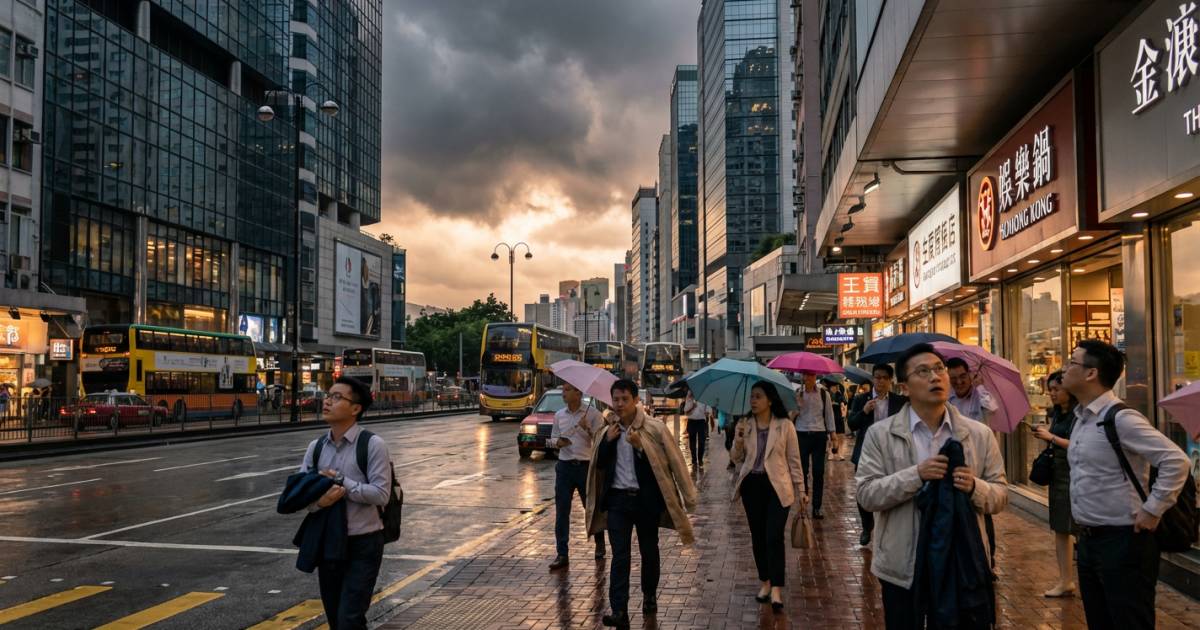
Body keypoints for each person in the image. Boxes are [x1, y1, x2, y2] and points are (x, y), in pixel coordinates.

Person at [856, 344, 1007, 630]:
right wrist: (916, 475)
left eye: (939, 369)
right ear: (904, 386)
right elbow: (866, 494)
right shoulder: (880, 435)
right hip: (903, 566)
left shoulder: (979, 434)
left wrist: (975, 487)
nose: (935, 377)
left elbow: (1000, 494)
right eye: (923, 371)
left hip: (962, 562)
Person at [1061, 339, 1190, 630]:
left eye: (1072, 362)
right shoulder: (1081, 418)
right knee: (1100, 621)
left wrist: (1153, 509)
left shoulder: (1121, 419)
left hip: (1124, 542)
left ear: (1091, 373)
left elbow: (1176, 461)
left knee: (1129, 621)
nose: (1065, 368)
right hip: (1089, 541)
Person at [586, 379, 698, 629]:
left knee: (649, 551)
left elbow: (667, 464)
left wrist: (640, 449)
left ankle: (649, 595)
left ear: (636, 400)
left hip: (646, 501)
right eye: (616, 399)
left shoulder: (654, 428)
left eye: (625, 399)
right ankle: (620, 610)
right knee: (620, 556)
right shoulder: (607, 431)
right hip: (617, 502)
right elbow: (599, 465)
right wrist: (608, 443)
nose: (620, 404)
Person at [296, 376, 392, 630]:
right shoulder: (315, 447)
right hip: (329, 542)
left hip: (364, 543)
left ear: (355, 408)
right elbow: (302, 495)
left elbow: (381, 494)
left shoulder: (372, 445)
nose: (327, 401)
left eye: (337, 397)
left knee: (349, 618)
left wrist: (342, 482)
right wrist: (320, 502)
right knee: (336, 619)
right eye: (328, 395)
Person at [730, 382, 806, 613]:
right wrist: (739, 438)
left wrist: (802, 491)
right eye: (752, 397)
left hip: (777, 487)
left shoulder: (785, 426)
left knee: (773, 536)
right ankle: (765, 581)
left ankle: (776, 588)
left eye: (758, 397)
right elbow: (736, 458)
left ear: (770, 400)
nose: (753, 401)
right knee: (758, 537)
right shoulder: (745, 425)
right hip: (752, 486)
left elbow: (794, 460)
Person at [847, 365, 907, 546]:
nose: (879, 381)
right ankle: (867, 525)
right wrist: (864, 411)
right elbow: (851, 425)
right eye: (876, 377)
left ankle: (889, 527)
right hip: (866, 451)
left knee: (891, 488)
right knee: (863, 490)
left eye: (883, 378)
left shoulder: (899, 401)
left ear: (890, 381)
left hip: (891, 452)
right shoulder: (861, 399)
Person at [548, 382, 606, 570]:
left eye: (567, 390)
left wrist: (587, 428)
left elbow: (602, 441)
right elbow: (551, 440)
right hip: (564, 467)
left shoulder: (593, 414)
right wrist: (558, 443)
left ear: (578, 392)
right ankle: (562, 553)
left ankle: (599, 544)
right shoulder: (559, 415)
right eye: (563, 390)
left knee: (591, 507)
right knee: (562, 511)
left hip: (585, 467)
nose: (563, 393)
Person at [1032, 370, 1078, 597]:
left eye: (1056, 389)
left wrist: (1051, 438)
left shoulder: (1080, 415)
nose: (1052, 393)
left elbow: (1079, 445)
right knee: (1061, 527)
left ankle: (1070, 578)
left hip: (1075, 473)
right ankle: (1065, 579)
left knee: (1076, 526)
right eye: (1050, 389)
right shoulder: (1058, 413)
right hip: (1058, 473)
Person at [790, 373, 834, 519]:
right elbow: (790, 417)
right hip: (801, 435)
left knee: (818, 471)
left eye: (811, 375)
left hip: (819, 435)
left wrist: (833, 434)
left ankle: (817, 506)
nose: (807, 378)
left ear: (815, 376)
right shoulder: (797, 393)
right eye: (805, 375)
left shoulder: (823, 394)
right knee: (802, 472)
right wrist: (797, 406)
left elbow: (829, 415)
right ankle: (803, 503)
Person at [947, 357, 999, 426]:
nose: (959, 382)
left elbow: (992, 409)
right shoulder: (947, 398)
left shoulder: (980, 395)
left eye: (962, 376)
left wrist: (980, 387)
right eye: (953, 378)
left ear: (969, 374)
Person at [682, 388, 712, 470]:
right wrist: (692, 406)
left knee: (702, 442)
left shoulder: (705, 394)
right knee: (692, 442)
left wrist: (707, 412)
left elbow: (709, 409)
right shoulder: (690, 394)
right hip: (691, 421)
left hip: (701, 422)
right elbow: (685, 411)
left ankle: (700, 459)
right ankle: (694, 460)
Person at [827, 381, 848, 461]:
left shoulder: (839, 394)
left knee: (840, 436)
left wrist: (840, 396)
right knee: (830, 437)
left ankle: (840, 453)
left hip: (838, 417)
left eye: (836, 386)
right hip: (830, 417)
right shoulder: (827, 394)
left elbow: (845, 402)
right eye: (833, 386)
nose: (834, 388)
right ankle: (830, 453)